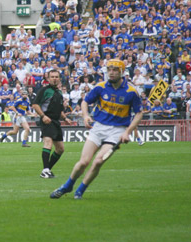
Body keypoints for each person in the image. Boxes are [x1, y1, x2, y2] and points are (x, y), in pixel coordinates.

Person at [50, 59, 143, 200]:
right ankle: (68, 186)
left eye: (115, 70)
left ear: (122, 72)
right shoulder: (100, 87)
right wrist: (86, 115)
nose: (111, 73)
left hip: (117, 131)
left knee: (99, 161)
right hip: (98, 128)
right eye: (109, 69)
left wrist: (127, 132)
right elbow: (85, 101)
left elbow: (139, 113)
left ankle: (80, 190)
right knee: (83, 162)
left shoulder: (131, 92)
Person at [32, 70, 72, 178]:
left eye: (56, 77)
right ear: (48, 78)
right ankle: (45, 170)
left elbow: (58, 110)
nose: (54, 78)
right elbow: (35, 105)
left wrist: (65, 118)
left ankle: (47, 170)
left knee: (60, 149)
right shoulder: (44, 90)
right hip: (46, 120)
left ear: (59, 79)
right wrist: (43, 116)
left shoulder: (59, 93)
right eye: (52, 77)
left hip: (55, 121)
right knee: (48, 143)